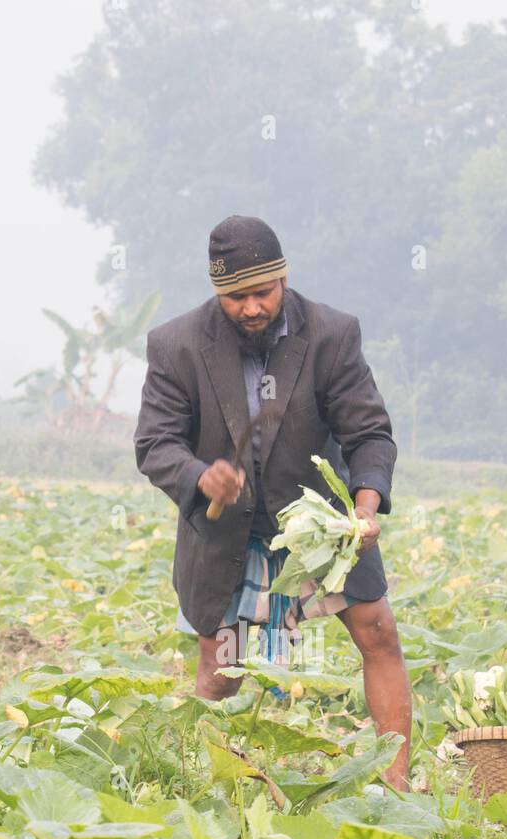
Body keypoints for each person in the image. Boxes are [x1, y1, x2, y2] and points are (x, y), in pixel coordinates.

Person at [134, 214, 411, 790]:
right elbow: (155, 443)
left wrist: (362, 507)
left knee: (378, 633)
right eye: (236, 297)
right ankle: (199, 783)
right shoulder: (177, 346)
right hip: (230, 531)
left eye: (262, 292)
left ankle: (398, 785)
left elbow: (369, 434)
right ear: (218, 294)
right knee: (223, 668)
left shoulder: (332, 335)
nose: (252, 307)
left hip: (319, 525)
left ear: (282, 280)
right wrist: (200, 477)